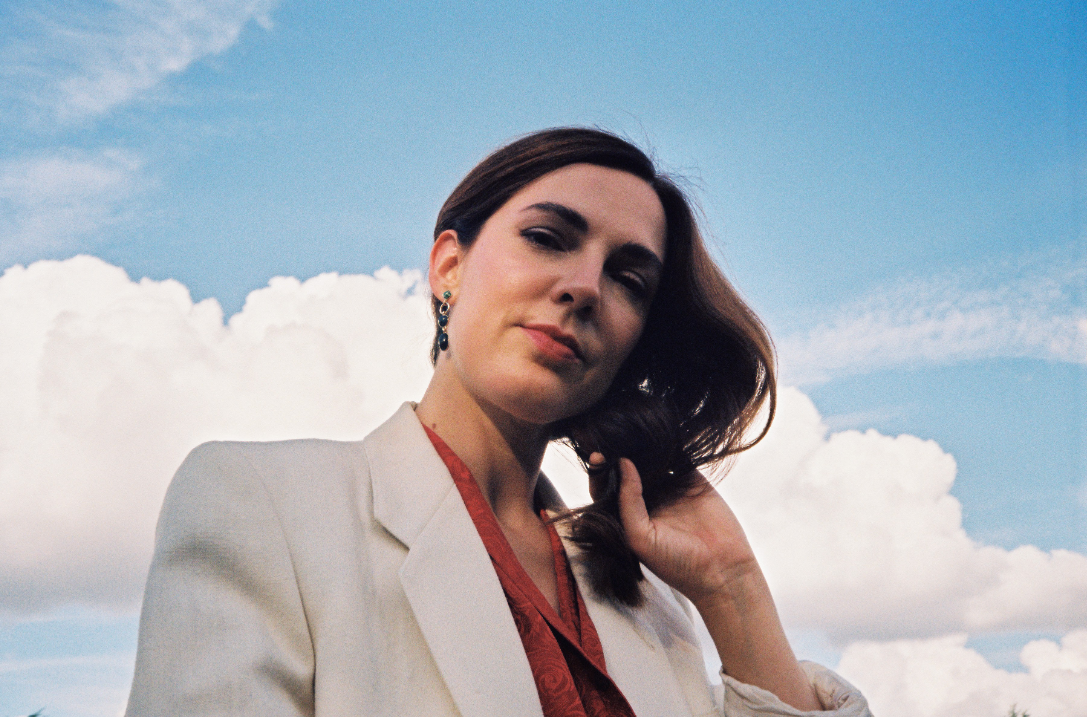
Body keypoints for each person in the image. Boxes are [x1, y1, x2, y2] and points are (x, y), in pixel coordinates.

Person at [126, 128, 872, 716]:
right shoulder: (263, 502)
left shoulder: (654, 609)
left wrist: (732, 588)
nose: (584, 287)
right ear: (448, 267)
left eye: (628, 279)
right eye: (547, 238)